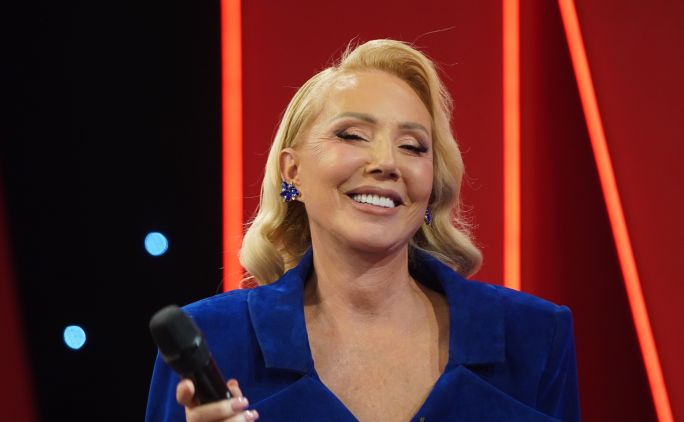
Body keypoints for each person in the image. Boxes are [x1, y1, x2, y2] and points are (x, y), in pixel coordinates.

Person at [145, 39, 580, 421]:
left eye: (412, 146)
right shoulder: (210, 339)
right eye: (352, 136)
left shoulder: (535, 336)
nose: (386, 163)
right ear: (292, 172)